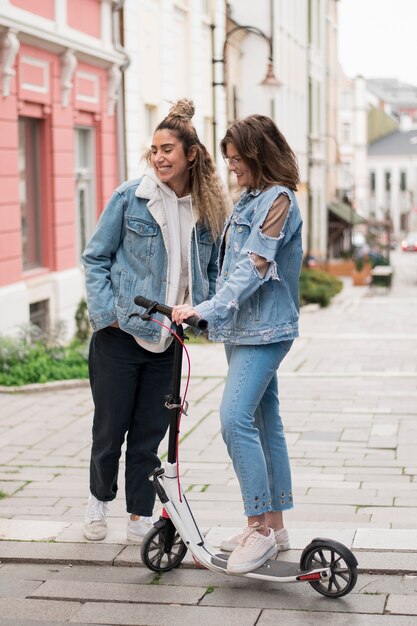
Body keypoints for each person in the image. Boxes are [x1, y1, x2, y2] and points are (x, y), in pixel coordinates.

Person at [82, 99, 230, 542]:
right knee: (110, 429)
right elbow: (96, 257)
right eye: (155, 149)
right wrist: (107, 316)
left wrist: (205, 316)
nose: (160, 157)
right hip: (121, 334)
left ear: (191, 154)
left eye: (168, 149)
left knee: (149, 434)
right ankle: (98, 501)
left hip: (168, 338)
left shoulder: (206, 209)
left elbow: (209, 271)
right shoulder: (132, 196)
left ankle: (137, 515)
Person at [172, 114, 302, 574]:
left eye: (236, 160)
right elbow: (228, 266)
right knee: (266, 422)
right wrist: (201, 307)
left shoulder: (279, 200)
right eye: (227, 161)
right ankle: (277, 526)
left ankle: (258, 529)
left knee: (233, 419)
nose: (232, 168)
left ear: (257, 154)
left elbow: (253, 266)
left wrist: (208, 308)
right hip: (243, 330)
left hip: (266, 331)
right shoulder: (249, 198)